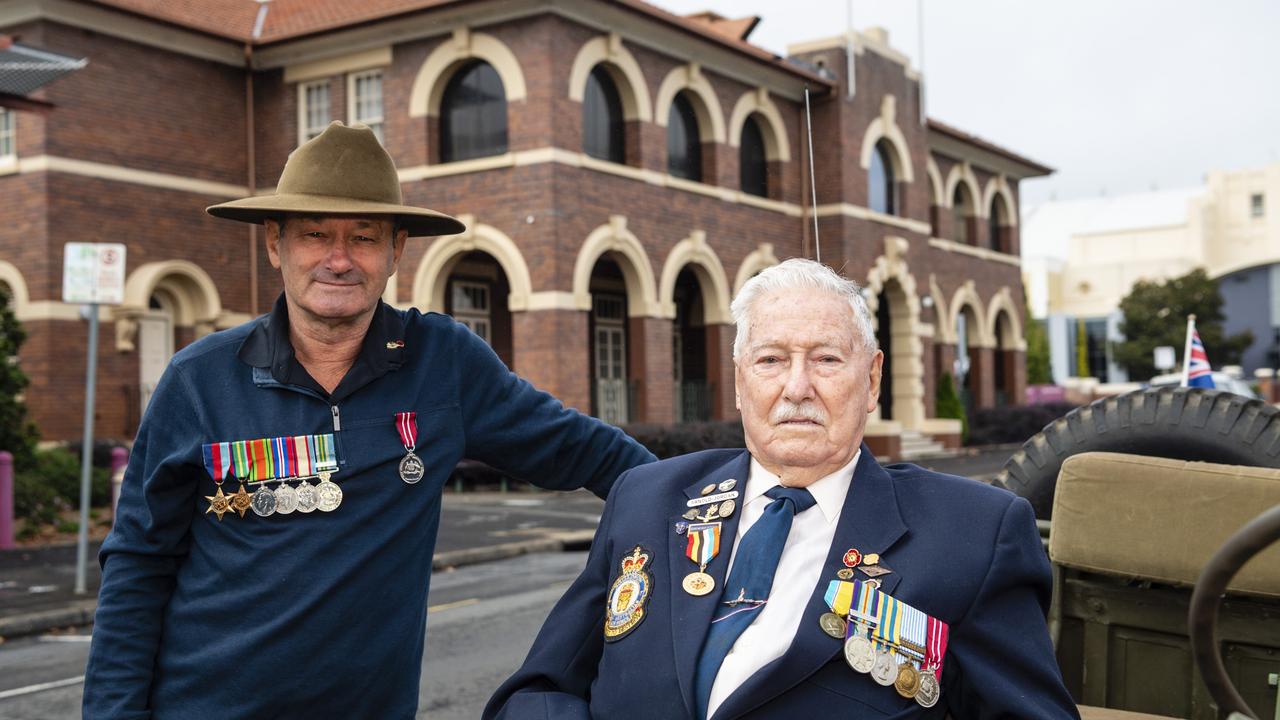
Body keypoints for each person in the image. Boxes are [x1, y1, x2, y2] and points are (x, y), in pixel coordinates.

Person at [82, 121, 656, 719]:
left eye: (362, 237)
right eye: (313, 235)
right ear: (275, 246)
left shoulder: (444, 363)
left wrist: (717, 521)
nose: (338, 259)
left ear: (395, 251)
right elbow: (138, 563)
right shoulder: (199, 379)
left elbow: (598, 456)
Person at [485, 258, 1079, 719]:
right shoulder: (646, 499)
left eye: (825, 359)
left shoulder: (974, 534)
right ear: (741, 382)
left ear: (871, 380)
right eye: (770, 360)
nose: (797, 387)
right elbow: (538, 690)